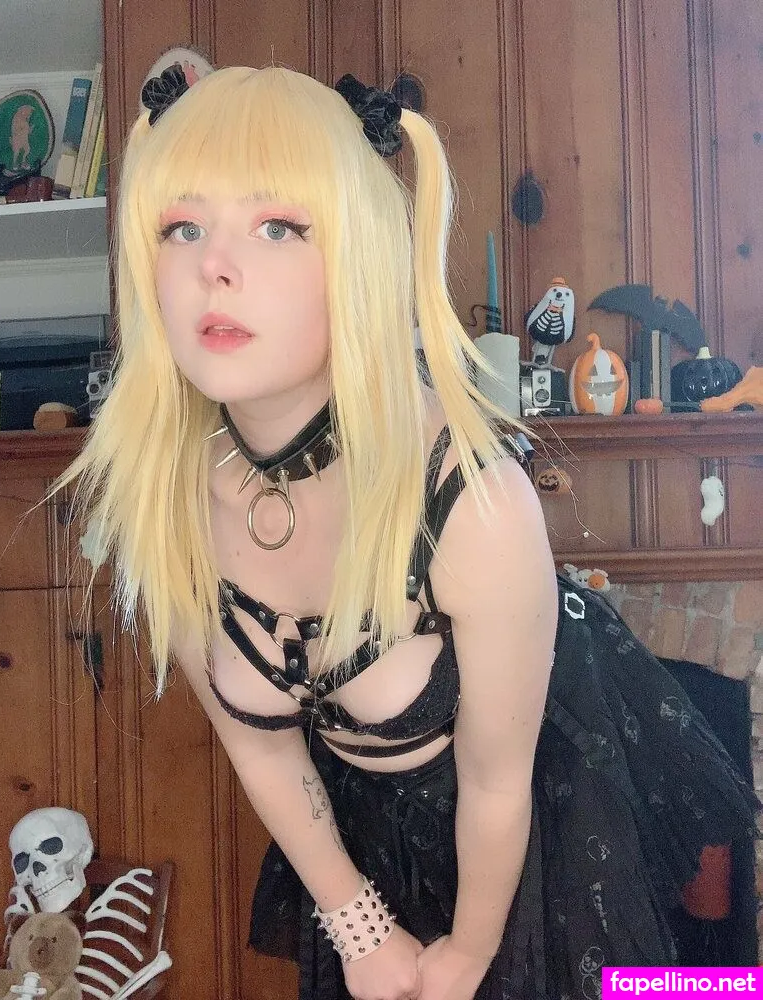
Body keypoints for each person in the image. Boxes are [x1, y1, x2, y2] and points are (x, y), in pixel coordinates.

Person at [53, 63, 758, 1000]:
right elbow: (260, 745)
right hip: (358, 842)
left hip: (533, 814)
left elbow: (497, 786)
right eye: (181, 226)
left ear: (361, 258)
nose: (211, 264)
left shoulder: (474, 502)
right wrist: (360, 928)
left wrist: (463, 956)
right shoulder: (162, 495)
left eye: (278, 225)